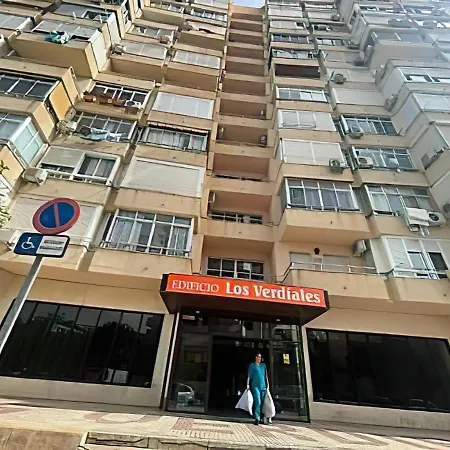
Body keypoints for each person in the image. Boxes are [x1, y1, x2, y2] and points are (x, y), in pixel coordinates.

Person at [247, 352, 268, 426]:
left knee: (262, 402)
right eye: (258, 357)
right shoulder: (252, 366)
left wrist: (267, 385)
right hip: (255, 386)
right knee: (257, 401)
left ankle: (262, 417)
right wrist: (247, 384)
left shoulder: (263, 366)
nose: (259, 359)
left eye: (260, 357)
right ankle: (257, 417)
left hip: (263, 386)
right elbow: (249, 375)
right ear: (255, 357)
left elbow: (266, 376)